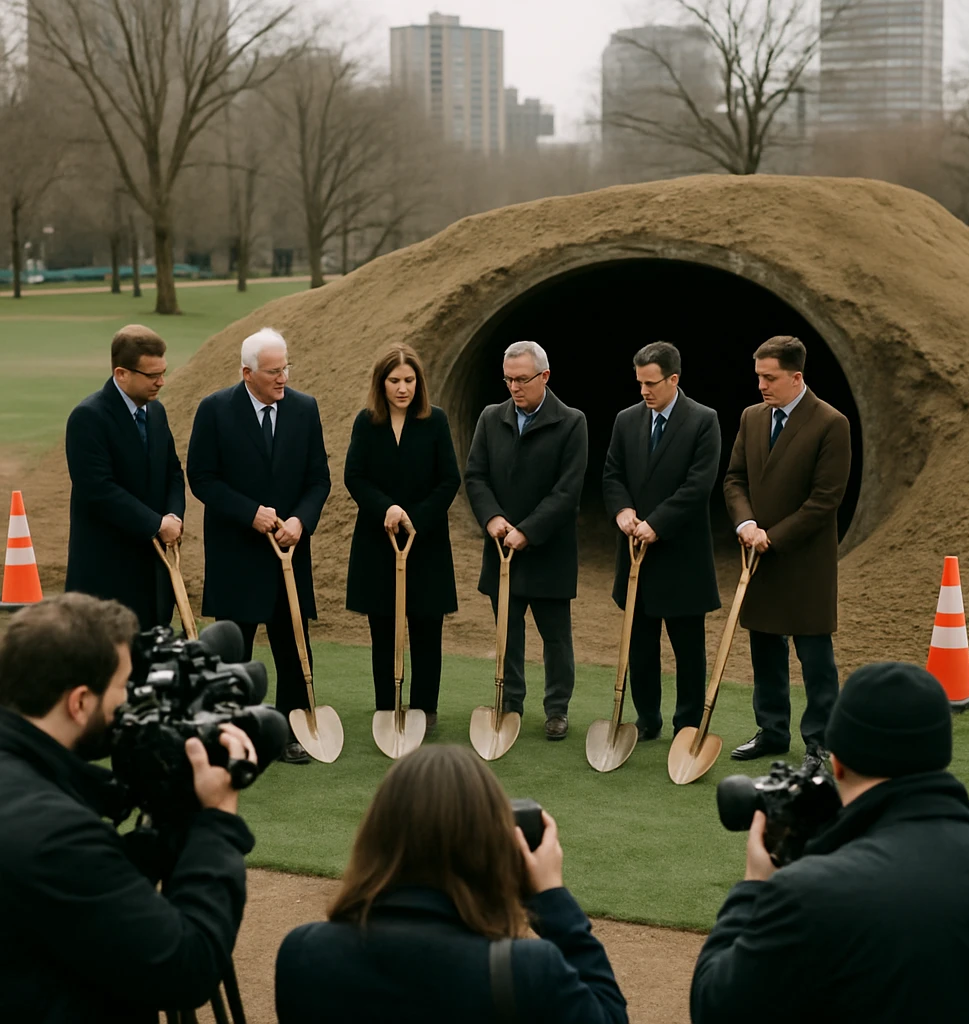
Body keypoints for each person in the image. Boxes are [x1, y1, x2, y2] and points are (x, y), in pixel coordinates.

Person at [690, 661, 969, 1023]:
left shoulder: (811, 892)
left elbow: (716, 1008)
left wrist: (755, 885)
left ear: (838, 763)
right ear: (939, 755)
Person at [0, 593, 257, 1023]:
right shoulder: (56, 834)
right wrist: (217, 819)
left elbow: (68, 897)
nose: (129, 703)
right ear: (79, 702)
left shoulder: (34, 792)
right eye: (123, 686)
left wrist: (149, 838)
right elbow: (186, 967)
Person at [275, 744, 628, 1024]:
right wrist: (550, 897)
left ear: (376, 837)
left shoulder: (303, 954)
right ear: (489, 847)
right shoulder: (527, 970)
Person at [187, 327, 331, 765]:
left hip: (289, 553)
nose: (282, 378)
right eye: (273, 371)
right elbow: (203, 478)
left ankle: (290, 731)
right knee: (235, 651)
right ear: (246, 372)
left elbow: (318, 479)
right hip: (237, 554)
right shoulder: (215, 410)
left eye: (285, 368)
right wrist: (250, 513)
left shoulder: (305, 409)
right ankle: (231, 737)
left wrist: (300, 521)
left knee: (293, 646)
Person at [723, 336, 851, 770]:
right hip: (758, 558)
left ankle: (820, 741)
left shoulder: (831, 423)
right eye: (759, 376)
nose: (761, 385)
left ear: (797, 377)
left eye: (770, 377)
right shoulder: (752, 417)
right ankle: (772, 730)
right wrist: (746, 525)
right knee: (765, 649)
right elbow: (734, 479)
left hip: (805, 563)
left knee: (815, 657)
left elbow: (825, 499)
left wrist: (773, 537)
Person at [464, 340, 588, 740]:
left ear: (544, 377)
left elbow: (567, 492)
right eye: (509, 379)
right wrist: (493, 517)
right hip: (501, 548)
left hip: (549, 550)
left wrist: (528, 531)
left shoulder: (571, 422)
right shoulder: (490, 417)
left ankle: (556, 710)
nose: (514, 387)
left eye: (522, 379)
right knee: (508, 634)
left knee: (556, 637)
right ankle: (510, 701)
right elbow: (476, 476)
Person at [602, 341, 721, 741]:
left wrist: (658, 524)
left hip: (682, 557)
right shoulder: (626, 419)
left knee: (688, 649)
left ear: (674, 379)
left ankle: (687, 723)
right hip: (636, 555)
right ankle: (647, 718)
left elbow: (698, 485)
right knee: (641, 645)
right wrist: (622, 511)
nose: (644, 391)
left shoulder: (704, 420)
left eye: (651, 383)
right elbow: (612, 473)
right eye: (639, 383)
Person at [344, 346, 461, 733]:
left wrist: (416, 517)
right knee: (383, 628)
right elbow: (354, 476)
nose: (402, 388)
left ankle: (425, 708)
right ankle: (386, 706)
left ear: (419, 383)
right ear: (382, 383)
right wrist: (387, 509)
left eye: (409, 380)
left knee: (427, 626)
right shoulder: (367, 422)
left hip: (424, 542)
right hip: (379, 541)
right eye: (394, 380)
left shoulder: (436, 421)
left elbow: (449, 480)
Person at [65, 324, 185, 630]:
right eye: (152, 375)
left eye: (163, 371)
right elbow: (98, 489)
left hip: (154, 576)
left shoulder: (156, 413)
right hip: (107, 576)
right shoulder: (88, 418)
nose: (162, 381)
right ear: (122, 373)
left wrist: (173, 515)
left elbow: (172, 471)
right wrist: (156, 524)